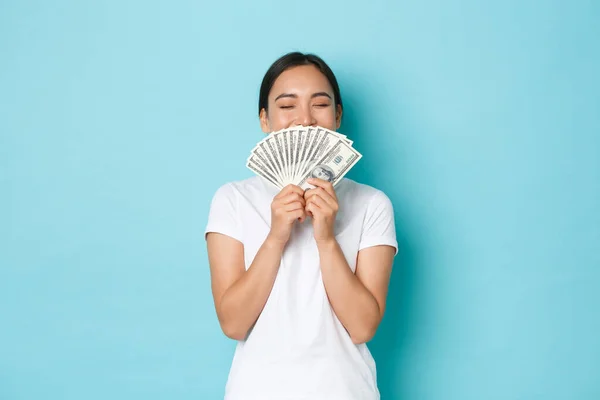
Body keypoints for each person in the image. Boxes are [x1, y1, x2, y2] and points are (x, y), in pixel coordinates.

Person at [205, 51, 398, 400]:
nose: (305, 119)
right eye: (287, 105)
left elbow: (363, 326)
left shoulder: (372, 204)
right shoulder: (231, 199)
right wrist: (276, 235)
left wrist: (326, 238)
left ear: (337, 115)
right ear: (265, 119)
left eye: (320, 104)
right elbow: (233, 323)